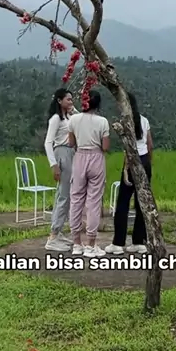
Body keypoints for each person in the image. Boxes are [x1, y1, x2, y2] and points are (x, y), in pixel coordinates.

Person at [105, 92, 153, 256]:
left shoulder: (125, 121)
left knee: (123, 203)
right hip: (144, 160)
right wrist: (148, 164)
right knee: (142, 203)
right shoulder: (144, 120)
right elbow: (149, 144)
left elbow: (128, 148)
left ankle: (118, 243)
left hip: (131, 161)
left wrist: (126, 169)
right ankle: (139, 242)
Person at [68, 89, 110, 259]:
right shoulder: (103, 121)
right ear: (98, 104)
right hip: (96, 158)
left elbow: (71, 143)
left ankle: (76, 243)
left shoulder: (74, 119)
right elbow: (105, 147)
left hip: (79, 157)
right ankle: (91, 245)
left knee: (76, 199)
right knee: (93, 202)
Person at [44, 87, 76, 252]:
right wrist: (54, 164)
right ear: (59, 100)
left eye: (71, 99)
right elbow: (48, 142)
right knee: (64, 195)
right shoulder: (56, 119)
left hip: (70, 153)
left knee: (63, 194)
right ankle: (53, 235)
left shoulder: (68, 116)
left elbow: (79, 119)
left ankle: (58, 230)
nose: (71, 101)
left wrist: (72, 109)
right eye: (68, 99)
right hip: (62, 153)